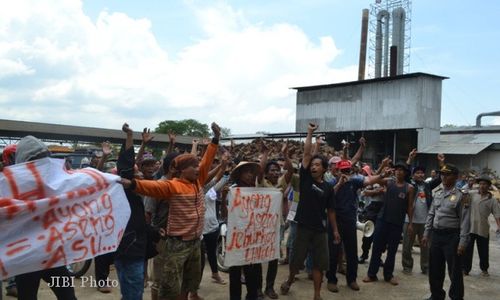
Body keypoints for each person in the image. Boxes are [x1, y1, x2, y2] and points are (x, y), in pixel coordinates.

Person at [120, 122, 221, 300]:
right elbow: (152, 188)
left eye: (198, 165)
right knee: (170, 286)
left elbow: (207, 161)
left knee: (189, 284)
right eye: (193, 166)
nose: (198, 168)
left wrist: (215, 139)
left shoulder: (198, 181)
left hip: (196, 242)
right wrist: (133, 183)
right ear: (181, 170)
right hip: (177, 243)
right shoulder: (173, 186)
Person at [10, 136, 77, 300]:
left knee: (68, 297)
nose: (41, 163)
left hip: (53, 255)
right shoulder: (9, 187)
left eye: (43, 158)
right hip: (26, 258)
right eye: (35, 159)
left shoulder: (56, 182)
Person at [280, 123, 339, 300]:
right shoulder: (305, 179)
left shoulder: (329, 187)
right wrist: (310, 133)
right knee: (296, 262)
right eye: (312, 164)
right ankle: (290, 280)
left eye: (317, 165)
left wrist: (335, 230)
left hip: (320, 230)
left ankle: (317, 294)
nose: (313, 167)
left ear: (324, 169)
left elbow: (331, 211)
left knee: (319, 265)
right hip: (303, 227)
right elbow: (306, 153)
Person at [326, 150, 388, 292]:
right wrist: (340, 183)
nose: (345, 173)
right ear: (336, 171)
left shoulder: (354, 180)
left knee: (351, 251)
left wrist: (382, 175)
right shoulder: (330, 182)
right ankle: (331, 280)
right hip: (335, 221)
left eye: (347, 170)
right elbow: (329, 196)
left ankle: (351, 279)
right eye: (342, 170)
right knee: (333, 252)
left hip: (350, 221)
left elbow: (368, 180)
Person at [421, 164, 471, 300]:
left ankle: (456, 297)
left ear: (455, 177)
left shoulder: (462, 196)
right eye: (442, 174)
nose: (443, 177)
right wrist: (426, 233)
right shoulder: (438, 193)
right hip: (436, 235)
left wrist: (462, 242)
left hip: (452, 237)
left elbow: (465, 221)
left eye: (447, 174)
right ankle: (436, 295)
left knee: (454, 271)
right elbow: (431, 214)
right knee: (435, 268)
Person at [363, 162, 415, 286]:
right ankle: (372, 274)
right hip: (382, 220)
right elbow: (373, 179)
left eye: (401, 170)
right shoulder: (388, 182)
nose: (398, 171)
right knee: (376, 248)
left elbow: (410, 207)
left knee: (392, 250)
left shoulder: (409, 188)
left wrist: (411, 223)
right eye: (397, 169)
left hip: (397, 223)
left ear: (405, 173)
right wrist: (383, 173)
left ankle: (388, 275)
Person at [256, 141, 294, 299]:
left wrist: (285, 156)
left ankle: (269, 288)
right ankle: (257, 289)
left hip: (276, 226)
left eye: (277, 171)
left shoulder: (280, 184)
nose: (276, 173)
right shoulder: (261, 184)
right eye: (272, 170)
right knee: (257, 258)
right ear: (266, 173)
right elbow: (259, 171)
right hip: (260, 226)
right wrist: (265, 154)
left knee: (273, 258)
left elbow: (290, 170)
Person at [225, 161, 263, 300]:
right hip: (236, 237)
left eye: (251, 172)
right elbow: (226, 214)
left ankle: (252, 296)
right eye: (246, 172)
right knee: (235, 272)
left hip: (252, 237)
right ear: (239, 174)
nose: (249, 175)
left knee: (251, 272)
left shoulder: (256, 190)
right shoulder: (232, 190)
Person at [401, 150, 444, 275]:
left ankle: (425, 267)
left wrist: (441, 163)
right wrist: (409, 159)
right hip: (409, 221)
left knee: (426, 247)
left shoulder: (427, 186)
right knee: (407, 246)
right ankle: (407, 266)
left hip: (425, 222)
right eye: (417, 173)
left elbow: (440, 178)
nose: (420, 175)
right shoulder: (410, 184)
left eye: (422, 173)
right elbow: (405, 173)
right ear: (413, 175)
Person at [462, 175, 500, 277]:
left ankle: (484, 269)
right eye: (481, 184)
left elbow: (497, 215)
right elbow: (462, 195)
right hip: (470, 228)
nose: (482, 186)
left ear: (489, 186)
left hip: (483, 228)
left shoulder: (492, 200)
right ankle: (465, 269)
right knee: (467, 250)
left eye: (485, 184)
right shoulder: (472, 194)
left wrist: (498, 226)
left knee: (483, 250)